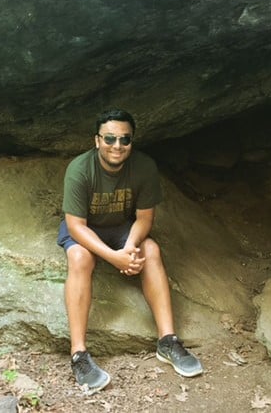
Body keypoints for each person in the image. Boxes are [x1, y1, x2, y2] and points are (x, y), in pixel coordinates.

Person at [57, 108, 203, 393]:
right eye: (109, 138)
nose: (117, 146)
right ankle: (79, 355)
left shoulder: (144, 167)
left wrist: (129, 248)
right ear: (97, 140)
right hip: (87, 228)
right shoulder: (80, 169)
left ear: (131, 142)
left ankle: (168, 341)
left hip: (122, 228)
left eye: (125, 140)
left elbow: (145, 218)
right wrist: (114, 258)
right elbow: (75, 226)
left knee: (151, 249)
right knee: (79, 257)